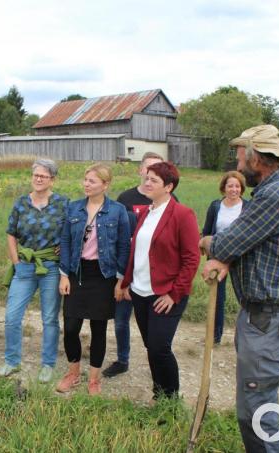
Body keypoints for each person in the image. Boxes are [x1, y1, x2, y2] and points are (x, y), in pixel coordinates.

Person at [199, 124, 279, 453]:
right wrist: (229, 259)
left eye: (240, 155)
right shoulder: (278, 191)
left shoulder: (274, 196)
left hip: (266, 319)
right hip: (264, 316)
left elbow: (228, 242)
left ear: (257, 158)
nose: (237, 161)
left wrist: (209, 243)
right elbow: (255, 245)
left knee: (256, 409)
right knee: (255, 403)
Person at [118, 161, 201, 400]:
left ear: (169, 187)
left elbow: (191, 258)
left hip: (165, 294)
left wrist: (174, 294)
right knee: (151, 347)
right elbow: (137, 252)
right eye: (147, 178)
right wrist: (126, 283)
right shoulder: (146, 212)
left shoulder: (182, 214)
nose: (147, 183)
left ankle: (171, 400)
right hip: (140, 291)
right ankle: (159, 395)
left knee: (159, 347)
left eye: (154, 180)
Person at [56, 164, 131, 395]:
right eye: (85, 179)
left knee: (99, 329)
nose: (86, 184)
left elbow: (124, 247)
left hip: (104, 275)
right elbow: (66, 241)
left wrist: (120, 280)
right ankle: (73, 373)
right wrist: (64, 275)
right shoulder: (74, 207)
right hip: (77, 273)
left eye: (92, 181)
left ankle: (94, 379)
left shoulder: (118, 211)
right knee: (70, 327)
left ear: (105, 185)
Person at [0, 159, 69, 383]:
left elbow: (72, 230)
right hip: (25, 266)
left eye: (43, 176)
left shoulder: (63, 203)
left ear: (52, 180)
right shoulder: (21, 203)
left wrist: (65, 245)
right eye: (36, 175)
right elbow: (11, 233)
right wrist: (16, 261)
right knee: (12, 316)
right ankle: (12, 361)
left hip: (51, 267)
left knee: (49, 318)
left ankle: (48, 364)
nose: (38, 179)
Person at [104, 152, 175, 379]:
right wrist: (121, 277)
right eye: (148, 168)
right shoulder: (125, 198)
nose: (151, 174)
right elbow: (116, 234)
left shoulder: (170, 201)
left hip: (155, 275)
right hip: (128, 269)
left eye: (157, 169)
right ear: (140, 170)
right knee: (121, 320)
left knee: (156, 329)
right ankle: (122, 360)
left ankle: (158, 359)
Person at [200, 171, 249, 344]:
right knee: (217, 297)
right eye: (230, 186)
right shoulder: (216, 206)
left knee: (245, 296)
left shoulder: (248, 207)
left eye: (237, 186)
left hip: (239, 257)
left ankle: (246, 337)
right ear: (224, 188)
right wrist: (204, 245)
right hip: (217, 256)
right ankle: (215, 336)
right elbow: (207, 231)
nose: (234, 189)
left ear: (241, 188)